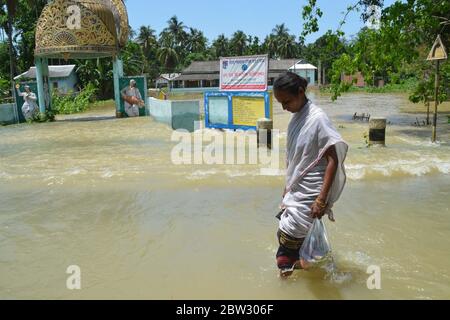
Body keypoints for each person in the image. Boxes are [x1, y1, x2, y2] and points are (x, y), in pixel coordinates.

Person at [273, 72, 348, 278]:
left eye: (286, 101)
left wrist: (321, 199)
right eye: (280, 103)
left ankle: (304, 265)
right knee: (288, 245)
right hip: (296, 190)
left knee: (285, 249)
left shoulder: (317, 118)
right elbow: (295, 158)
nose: (284, 107)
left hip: (311, 193)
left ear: (300, 92)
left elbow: (333, 159)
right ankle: (305, 264)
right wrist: (286, 188)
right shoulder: (297, 117)